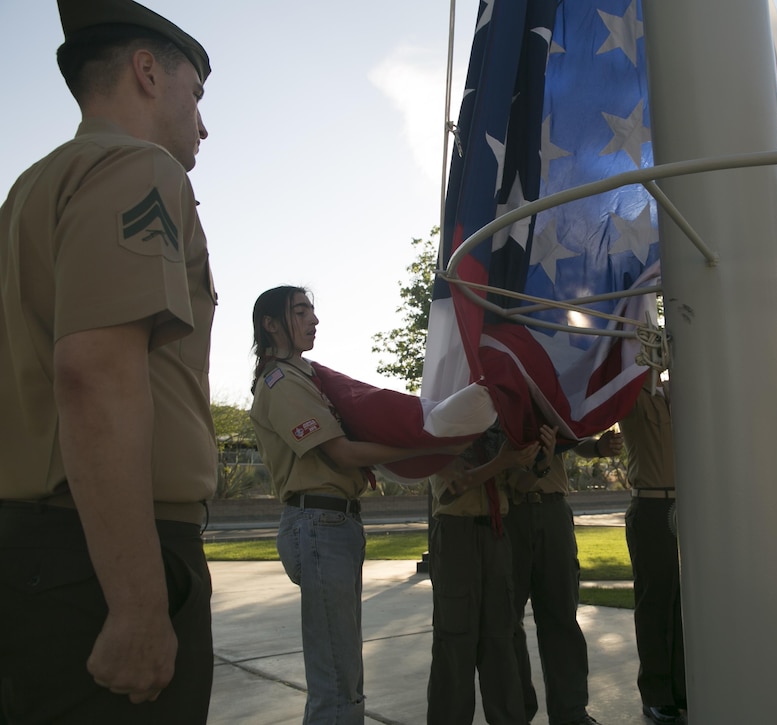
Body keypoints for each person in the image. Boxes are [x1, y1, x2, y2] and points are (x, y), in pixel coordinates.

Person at [0, 1, 216, 722]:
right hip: (106, 557)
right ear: (148, 73)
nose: (203, 123)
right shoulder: (137, 167)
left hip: (36, 547)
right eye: (198, 94)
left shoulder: (29, 190)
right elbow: (95, 374)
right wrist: (139, 606)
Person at [249, 285, 466, 724]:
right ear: (271, 324)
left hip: (335, 523)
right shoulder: (282, 382)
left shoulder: (309, 378)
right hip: (318, 524)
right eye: (300, 311)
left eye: (313, 310)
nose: (313, 319)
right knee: (337, 678)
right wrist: (421, 445)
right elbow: (342, 454)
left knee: (344, 670)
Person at [427, 424, 545, 725]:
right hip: (458, 535)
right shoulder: (443, 431)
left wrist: (542, 461)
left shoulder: (496, 435)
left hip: (496, 534)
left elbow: (519, 482)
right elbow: (454, 487)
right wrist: (502, 461)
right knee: (455, 639)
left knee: (501, 638)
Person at [508, 428, 624, 725]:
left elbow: (572, 441)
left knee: (561, 617)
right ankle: (515, 714)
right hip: (509, 511)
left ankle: (570, 713)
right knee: (506, 624)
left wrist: (598, 448)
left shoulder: (552, 392)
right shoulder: (493, 391)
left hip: (553, 508)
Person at [617, 372, 685, 725]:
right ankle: (657, 692)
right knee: (656, 600)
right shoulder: (631, 392)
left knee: (685, 604)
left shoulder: (680, 390)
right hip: (652, 506)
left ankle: (683, 685)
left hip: (687, 505)